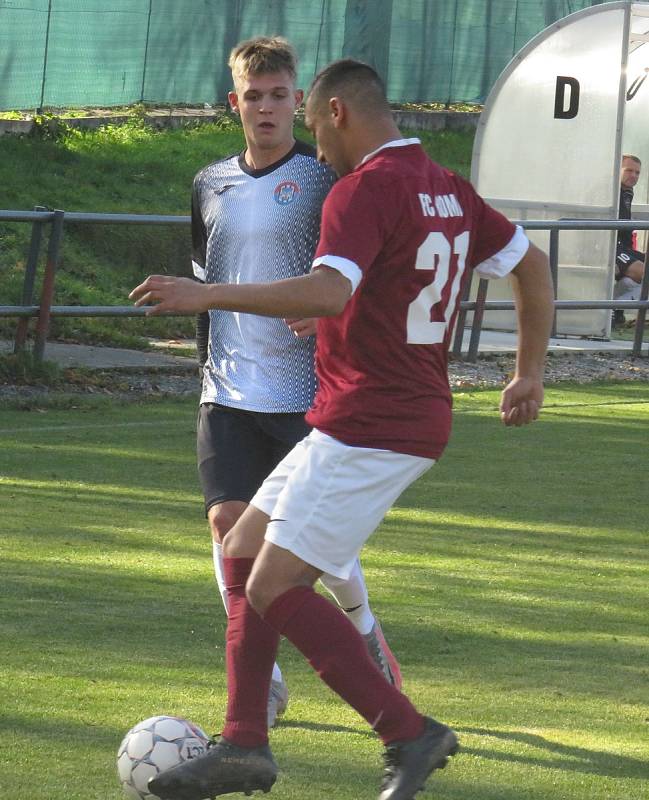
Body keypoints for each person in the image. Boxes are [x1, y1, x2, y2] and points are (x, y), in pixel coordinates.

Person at [131, 59, 554, 800]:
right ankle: (244, 745)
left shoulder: (361, 189)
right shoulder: (446, 187)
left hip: (374, 423)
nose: (317, 153)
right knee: (241, 548)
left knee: (273, 585)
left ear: (332, 114)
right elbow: (531, 267)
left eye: (316, 130)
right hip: (374, 415)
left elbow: (330, 290)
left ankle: (406, 731)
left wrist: (208, 296)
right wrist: (527, 373)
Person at [191, 36, 402, 730]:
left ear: (297, 100)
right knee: (228, 527)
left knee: (318, 549)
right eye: (253, 96)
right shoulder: (209, 183)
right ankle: (261, 671)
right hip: (226, 388)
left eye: (279, 95)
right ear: (235, 103)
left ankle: (365, 630)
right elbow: (204, 282)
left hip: (310, 394)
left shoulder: (325, 180)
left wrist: (328, 320)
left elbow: (355, 269)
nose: (267, 108)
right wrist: (204, 357)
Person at [614, 154, 645, 326]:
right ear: (617, 170)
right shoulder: (608, 191)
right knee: (643, 272)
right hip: (608, 247)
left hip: (623, 248)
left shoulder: (627, 192)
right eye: (629, 170)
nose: (634, 175)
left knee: (635, 276)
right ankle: (611, 309)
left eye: (638, 173)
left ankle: (615, 308)